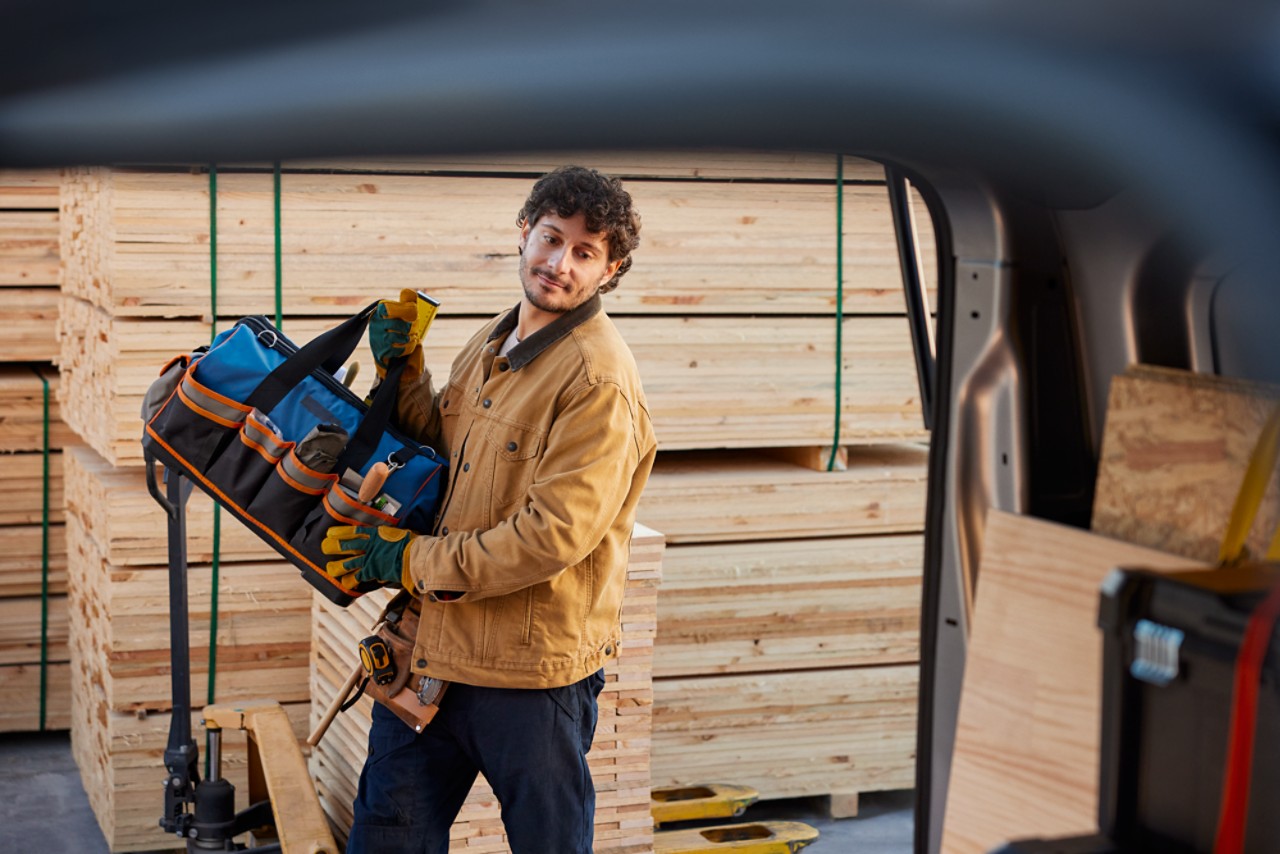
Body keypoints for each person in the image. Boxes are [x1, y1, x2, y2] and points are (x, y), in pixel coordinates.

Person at [321, 165, 656, 853]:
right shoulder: (492, 342)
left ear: (609, 268)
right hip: (432, 651)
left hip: (528, 678)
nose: (559, 263)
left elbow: (548, 537)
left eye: (584, 252)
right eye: (551, 238)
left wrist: (408, 558)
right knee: (388, 837)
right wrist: (403, 373)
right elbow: (447, 461)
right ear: (524, 233)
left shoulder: (597, 380)